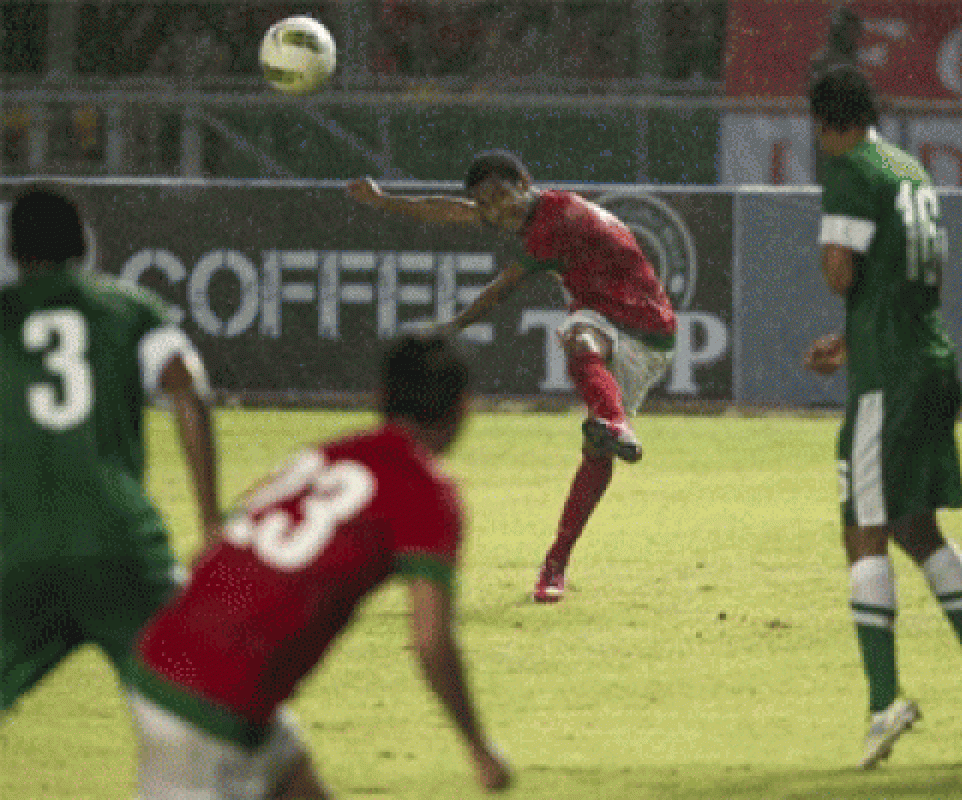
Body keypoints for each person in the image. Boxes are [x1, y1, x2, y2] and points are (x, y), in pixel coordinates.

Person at [128, 333, 512, 799]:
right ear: (462, 408)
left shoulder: (328, 454)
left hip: (167, 654)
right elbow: (432, 640)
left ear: (381, 398)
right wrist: (478, 748)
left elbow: (220, 544)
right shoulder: (427, 492)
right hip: (211, 704)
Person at [346, 151, 677, 604]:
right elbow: (456, 211)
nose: (493, 211)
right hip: (602, 321)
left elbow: (501, 290)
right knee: (580, 346)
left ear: (525, 182)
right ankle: (556, 562)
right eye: (486, 205)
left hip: (650, 337)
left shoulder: (556, 219)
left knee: (584, 356)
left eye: (500, 197)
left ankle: (612, 424)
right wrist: (384, 200)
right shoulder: (529, 213)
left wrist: (449, 328)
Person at [802, 69, 962, 769]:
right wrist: (854, 338)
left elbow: (842, 271)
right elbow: (919, 276)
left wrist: (838, 281)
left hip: (890, 377)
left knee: (864, 529)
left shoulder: (851, 169)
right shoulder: (910, 167)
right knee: (916, 525)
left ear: (825, 122)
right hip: (929, 357)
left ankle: (885, 703)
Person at [0, 183, 219, 715]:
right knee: (201, 704)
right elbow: (187, 389)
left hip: (19, 554)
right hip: (121, 546)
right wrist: (211, 521)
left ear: (11, 250)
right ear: (84, 244)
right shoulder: (130, 309)